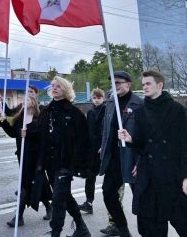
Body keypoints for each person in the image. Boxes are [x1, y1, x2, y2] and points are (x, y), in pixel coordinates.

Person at [118, 70, 187, 237]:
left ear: (160, 85)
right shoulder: (141, 111)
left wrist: (186, 176)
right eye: (143, 84)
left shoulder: (177, 110)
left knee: (183, 221)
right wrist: (130, 139)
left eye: (148, 83)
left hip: (173, 176)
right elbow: (143, 144)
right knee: (150, 226)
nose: (144, 87)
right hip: (149, 177)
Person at [37, 76, 91, 237]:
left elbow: (84, 141)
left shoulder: (74, 113)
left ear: (66, 89)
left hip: (66, 164)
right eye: (52, 86)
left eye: (58, 86)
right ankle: (82, 228)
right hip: (50, 164)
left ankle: (55, 232)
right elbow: (40, 135)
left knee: (58, 200)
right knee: (65, 196)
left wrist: (81, 166)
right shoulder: (46, 111)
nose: (54, 88)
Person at [99, 71, 143, 237]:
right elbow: (106, 128)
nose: (115, 85)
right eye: (113, 83)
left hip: (133, 158)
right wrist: (103, 148)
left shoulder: (139, 104)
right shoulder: (110, 102)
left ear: (129, 84)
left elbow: (146, 135)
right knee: (108, 194)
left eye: (118, 82)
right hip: (114, 158)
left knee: (141, 200)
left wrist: (141, 162)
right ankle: (122, 229)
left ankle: (148, 230)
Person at [0, 96, 52, 227]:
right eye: (24, 99)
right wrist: (4, 122)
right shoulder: (20, 118)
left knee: (26, 185)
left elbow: (42, 135)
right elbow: (12, 133)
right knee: (34, 183)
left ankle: (19, 216)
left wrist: (28, 133)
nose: (24, 101)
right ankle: (49, 207)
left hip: (35, 158)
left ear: (34, 103)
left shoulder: (39, 118)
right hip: (23, 157)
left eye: (27, 99)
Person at [78, 88, 106, 214]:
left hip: (104, 147)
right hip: (92, 149)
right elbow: (87, 131)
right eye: (94, 98)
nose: (96, 100)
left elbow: (106, 130)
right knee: (90, 176)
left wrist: (103, 145)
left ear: (103, 98)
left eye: (99, 97)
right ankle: (89, 202)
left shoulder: (107, 110)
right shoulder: (90, 112)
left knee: (110, 177)